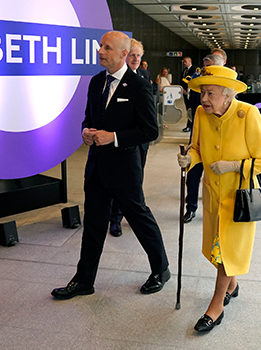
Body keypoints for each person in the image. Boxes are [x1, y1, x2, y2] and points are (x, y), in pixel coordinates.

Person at [51, 31, 170, 300]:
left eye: (107, 47)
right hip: (96, 167)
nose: (100, 51)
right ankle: (84, 280)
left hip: (125, 170)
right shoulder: (95, 83)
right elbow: (88, 118)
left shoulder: (138, 86)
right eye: (100, 46)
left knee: (140, 220)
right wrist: (85, 132)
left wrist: (113, 137)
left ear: (123, 55)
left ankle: (161, 270)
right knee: (93, 224)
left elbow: (150, 130)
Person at [177, 65, 261, 332]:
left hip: (238, 198)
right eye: (202, 93)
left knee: (226, 252)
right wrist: (189, 159)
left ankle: (216, 305)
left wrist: (233, 165)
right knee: (217, 250)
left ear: (228, 96)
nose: (204, 99)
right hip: (212, 194)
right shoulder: (199, 113)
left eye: (210, 93)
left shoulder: (248, 114)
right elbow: (196, 147)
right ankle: (232, 285)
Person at [108, 38, 151, 237]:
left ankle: (133, 217)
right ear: (125, 55)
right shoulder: (116, 79)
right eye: (132, 55)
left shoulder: (144, 76)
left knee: (136, 182)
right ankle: (115, 219)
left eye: (138, 56)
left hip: (140, 143)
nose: (135, 59)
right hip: (120, 143)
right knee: (120, 182)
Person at [183, 51, 226, 224]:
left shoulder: (229, 87)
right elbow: (194, 107)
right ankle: (190, 207)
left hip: (222, 139)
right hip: (200, 136)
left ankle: (220, 210)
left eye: (210, 68)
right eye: (206, 68)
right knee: (193, 174)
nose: (206, 72)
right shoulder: (198, 85)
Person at [181, 57, 197, 132]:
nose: (184, 63)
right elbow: (181, 81)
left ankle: (190, 125)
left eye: (185, 61)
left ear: (190, 61)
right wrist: (183, 89)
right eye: (183, 62)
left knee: (191, 109)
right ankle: (188, 124)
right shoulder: (184, 71)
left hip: (191, 91)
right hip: (185, 92)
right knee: (187, 109)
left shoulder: (194, 70)